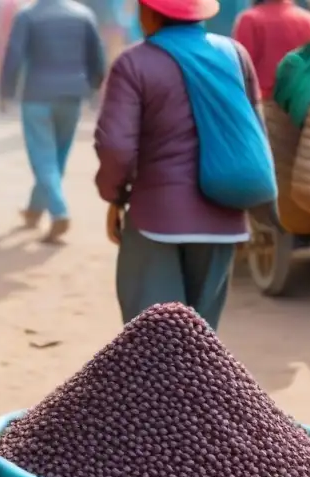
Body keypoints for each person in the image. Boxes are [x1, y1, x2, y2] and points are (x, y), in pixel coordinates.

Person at [96, 0, 262, 330]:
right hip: (223, 217)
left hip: (156, 218)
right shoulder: (235, 55)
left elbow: (116, 147)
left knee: (151, 340)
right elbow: (256, 132)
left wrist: (114, 195)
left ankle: (159, 385)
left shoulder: (134, 62)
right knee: (201, 340)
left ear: (152, 12)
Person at [1, 0, 107, 242]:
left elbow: (14, 54)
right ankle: (34, 210)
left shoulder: (27, 15)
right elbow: (96, 54)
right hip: (72, 95)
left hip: (37, 95)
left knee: (43, 159)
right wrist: (94, 85)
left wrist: (6, 91)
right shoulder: (83, 14)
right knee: (57, 158)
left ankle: (58, 211)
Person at [233, 0, 310, 100]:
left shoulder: (250, 19)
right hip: (298, 102)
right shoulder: (307, 19)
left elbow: (240, 68)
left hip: (262, 101)